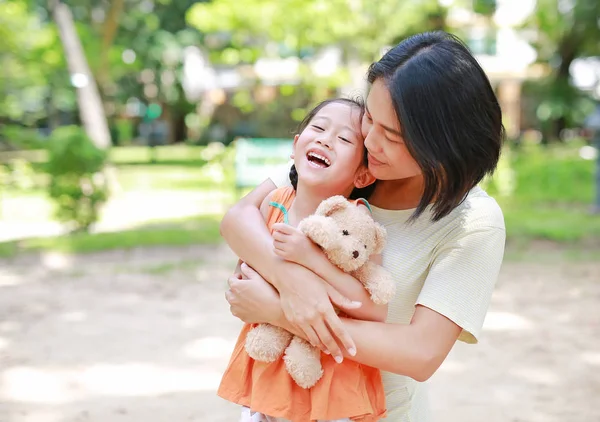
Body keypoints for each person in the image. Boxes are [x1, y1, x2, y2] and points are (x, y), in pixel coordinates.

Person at [222, 31, 506, 421]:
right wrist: (293, 280)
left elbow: (420, 352)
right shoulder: (343, 161)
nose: (370, 140)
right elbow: (239, 218)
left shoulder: (472, 222)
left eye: (392, 135)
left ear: (444, 143)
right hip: (277, 404)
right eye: (370, 118)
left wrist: (280, 311)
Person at [218, 98, 388, 421]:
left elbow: (371, 306)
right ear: (295, 147)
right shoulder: (273, 203)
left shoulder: (355, 222)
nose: (325, 139)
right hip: (267, 377)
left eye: (344, 139)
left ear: (363, 175)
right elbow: (244, 270)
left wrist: (310, 263)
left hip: (330, 386)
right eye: (319, 128)